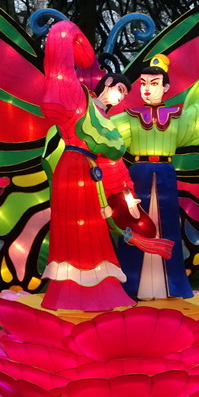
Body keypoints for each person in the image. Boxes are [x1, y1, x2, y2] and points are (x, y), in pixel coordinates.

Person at [38, 21, 169, 311]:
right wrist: (74, 41)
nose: (122, 97)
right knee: (75, 229)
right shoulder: (79, 101)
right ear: (107, 84)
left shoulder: (105, 120)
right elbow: (61, 34)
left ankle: (98, 289)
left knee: (93, 229)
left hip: (90, 174)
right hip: (73, 169)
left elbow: (112, 162)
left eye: (125, 94)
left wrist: (124, 195)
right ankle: (71, 291)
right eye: (120, 90)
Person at [111, 54, 199, 299]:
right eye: (143, 83)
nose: (147, 89)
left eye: (153, 84)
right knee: (134, 224)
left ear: (165, 88)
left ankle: (169, 285)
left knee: (168, 227)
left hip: (165, 174)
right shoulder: (130, 117)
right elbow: (105, 132)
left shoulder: (177, 117)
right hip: (138, 175)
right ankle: (130, 284)